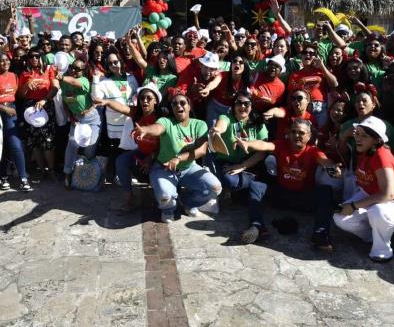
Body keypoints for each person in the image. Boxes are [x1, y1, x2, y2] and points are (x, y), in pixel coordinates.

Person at [333, 117, 394, 262]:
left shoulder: (382, 156)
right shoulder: (365, 152)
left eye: (364, 136)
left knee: (378, 211)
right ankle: (373, 236)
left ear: (376, 140)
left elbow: (388, 194)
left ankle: (382, 251)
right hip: (373, 199)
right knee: (340, 217)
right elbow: (365, 180)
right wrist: (341, 174)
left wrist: (354, 206)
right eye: (357, 134)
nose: (358, 139)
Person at [243, 118, 339, 251]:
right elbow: (264, 145)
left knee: (325, 191)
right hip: (281, 195)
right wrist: (247, 143)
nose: (297, 135)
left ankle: (321, 233)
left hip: (303, 198)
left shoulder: (313, 151)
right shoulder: (281, 145)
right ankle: (257, 225)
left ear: (309, 136)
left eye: (301, 133)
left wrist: (332, 168)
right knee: (257, 185)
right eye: (293, 132)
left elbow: (325, 161)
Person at [134, 93, 221, 222]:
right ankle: (168, 209)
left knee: (215, 188)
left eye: (182, 103)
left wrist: (179, 158)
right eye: (174, 104)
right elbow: (157, 128)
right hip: (163, 169)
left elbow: (201, 150)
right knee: (165, 197)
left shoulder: (200, 125)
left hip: (189, 168)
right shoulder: (166, 121)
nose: (178, 106)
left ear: (189, 106)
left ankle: (188, 203)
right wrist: (146, 130)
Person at [206, 91, 270, 243]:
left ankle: (256, 225)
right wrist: (217, 130)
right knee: (233, 182)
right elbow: (221, 126)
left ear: (251, 106)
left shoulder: (258, 122)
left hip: (250, 164)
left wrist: (243, 165)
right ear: (233, 106)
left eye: (246, 103)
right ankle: (248, 196)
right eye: (238, 103)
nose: (242, 106)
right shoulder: (226, 117)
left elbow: (262, 152)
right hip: (228, 162)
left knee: (255, 185)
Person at [96, 84, 162, 212]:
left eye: (149, 98)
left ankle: (164, 198)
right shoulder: (137, 113)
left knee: (159, 188)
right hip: (142, 152)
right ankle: (129, 199)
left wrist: (152, 157)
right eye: (142, 98)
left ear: (156, 101)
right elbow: (121, 108)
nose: (145, 101)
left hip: (159, 155)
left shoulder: (161, 118)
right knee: (121, 161)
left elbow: (167, 145)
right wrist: (106, 101)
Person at [0, 52, 32, 192]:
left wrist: (27, 85)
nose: (5, 63)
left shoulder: (13, 76)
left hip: (11, 112)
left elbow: (18, 95)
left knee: (15, 145)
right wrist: (4, 108)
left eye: (7, 60)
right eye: (2, 61)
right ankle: (3, 177)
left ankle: (23, 178)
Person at [57, 58, 100, 187]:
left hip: (91, 118)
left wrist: (62, 78)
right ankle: (68, 174)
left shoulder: (84, 81)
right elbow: (64, 100)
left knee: (89, 147)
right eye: (72, 67)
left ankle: (85, 177)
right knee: (72, 146)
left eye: (78, 69)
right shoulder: (64, 82)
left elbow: (74, 81)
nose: (74, 70)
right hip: (76, 119)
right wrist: (70, 116)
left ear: (83, 70)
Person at [17, 49, 59, 181]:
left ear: (42, 57)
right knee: (34, 142)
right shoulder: (24, 73)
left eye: (37, 56)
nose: (34, 58)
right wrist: (26, 86)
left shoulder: (49, 69)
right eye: (31, 56)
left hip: (46, 104)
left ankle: (51, 170)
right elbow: (20, 95)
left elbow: (55, 87)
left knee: (48, 140)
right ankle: (41, 170)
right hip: (30, 108)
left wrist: (45, 99)